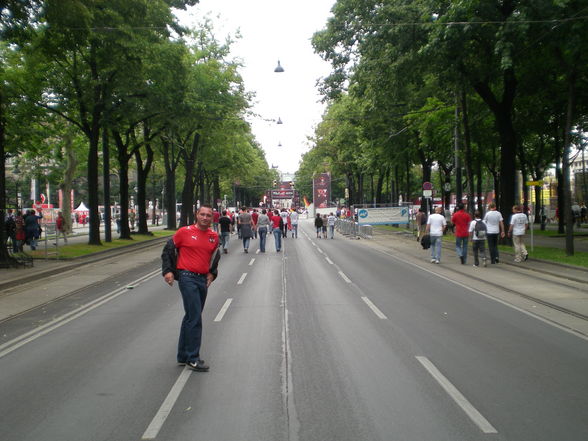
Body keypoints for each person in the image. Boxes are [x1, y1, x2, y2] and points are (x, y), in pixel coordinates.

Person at [162, 205, 220, 372]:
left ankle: (182, 355)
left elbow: (214, 256)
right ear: (196, 215)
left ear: (212, 218)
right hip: (187, 277)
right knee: (195, 317)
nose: (205, 217)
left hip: (202, 279)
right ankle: (193, 358)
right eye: (202, 214)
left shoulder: (213, 237)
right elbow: (168, 250)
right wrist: (168, 271)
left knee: (191, 316)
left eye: (208, 215)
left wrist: (212, 273)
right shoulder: (184, 232)